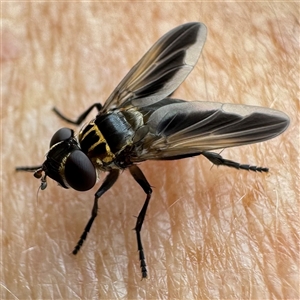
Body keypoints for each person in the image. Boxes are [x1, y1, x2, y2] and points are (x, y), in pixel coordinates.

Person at [3, 2, 298, 299]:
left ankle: (225, 164)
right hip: (131, 102)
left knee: (182, 157)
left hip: (161, 133)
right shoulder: (106, 110)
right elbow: (98, 109)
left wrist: (130, 231)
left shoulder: (128, 156)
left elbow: (145, 190)